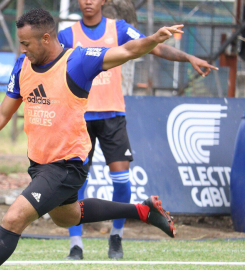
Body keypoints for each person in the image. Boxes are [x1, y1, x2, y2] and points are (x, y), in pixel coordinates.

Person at [0, 8, 181, 270]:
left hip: (67, 164)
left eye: (26, 43)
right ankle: (143, 211)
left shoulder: (77, 62)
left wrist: (153, 39)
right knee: (67, 217)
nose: (22, 49)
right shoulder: (22, 65)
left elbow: (126, 51)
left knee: (13, 219)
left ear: (46, 38)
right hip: (39, 164)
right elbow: (2, 112)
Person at [57, 0, 219, 260]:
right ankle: (76, 245)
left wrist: (188, 56)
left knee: (122, 181)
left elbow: (152, 46)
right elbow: (52, 67)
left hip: (113, 117)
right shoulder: (66, 35)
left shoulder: (119, 28)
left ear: (104, 1)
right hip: (80, 118)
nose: (88, 1)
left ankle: (116, 238)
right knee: (77, 183)